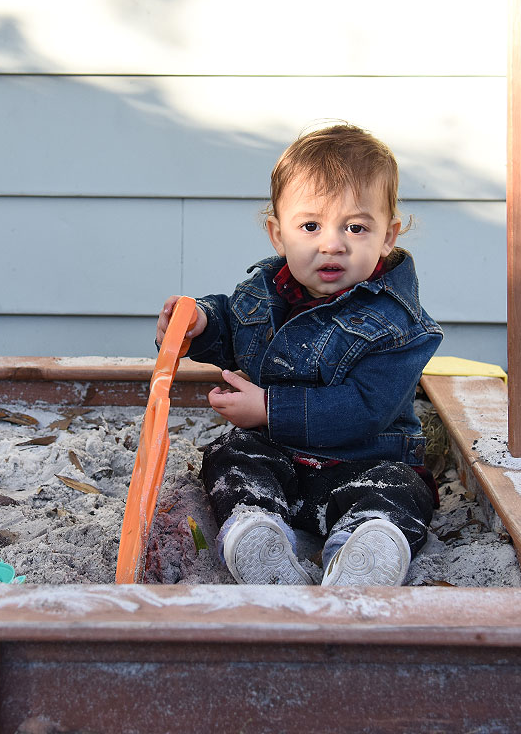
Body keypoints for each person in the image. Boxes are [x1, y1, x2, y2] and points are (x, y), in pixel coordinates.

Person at [155, 123, 441, 586]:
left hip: (363, 461)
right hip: (281, 457)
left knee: (402, 490)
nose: (332, 243)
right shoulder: (265, 291)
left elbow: (366, 408)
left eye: (356, 227)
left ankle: (363, 549)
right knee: (231, 455)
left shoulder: (400, 325)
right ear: (277, 234)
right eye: (310, 226)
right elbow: (234, 326)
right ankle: (256, 535)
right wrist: (201, 323)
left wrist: (268, 408)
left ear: (388, 236)